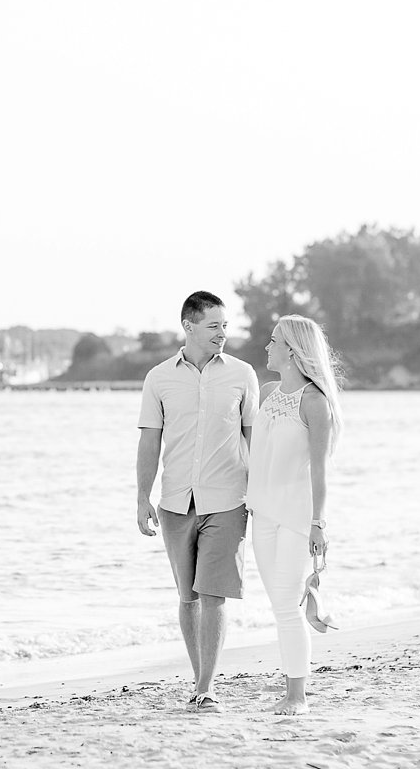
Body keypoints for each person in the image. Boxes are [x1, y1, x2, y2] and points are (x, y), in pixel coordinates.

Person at [136, 291, 259, 712]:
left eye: (225, 325)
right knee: (187, 597)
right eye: (213, 326)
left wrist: (261, 494)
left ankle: (206, 687)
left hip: (228, 500)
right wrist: (141, 497)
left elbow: (253, 439)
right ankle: (198, 678)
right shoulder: (159, 378)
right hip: (175, 502)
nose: (222, 333)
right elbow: (149, 440)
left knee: (213, 595)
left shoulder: (243, 375)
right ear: (189, 327)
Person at [247, 315, 345, 715]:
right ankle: (292, 688)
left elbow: (320, 469)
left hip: (294, 517)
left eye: (274, 341)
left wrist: (319, 523)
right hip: (261, 513)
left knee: (286, 606)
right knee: (279, 605)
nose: (267, 348)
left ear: (292, 349)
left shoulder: (314, 401)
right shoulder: (268, 392)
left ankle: (296, 696)